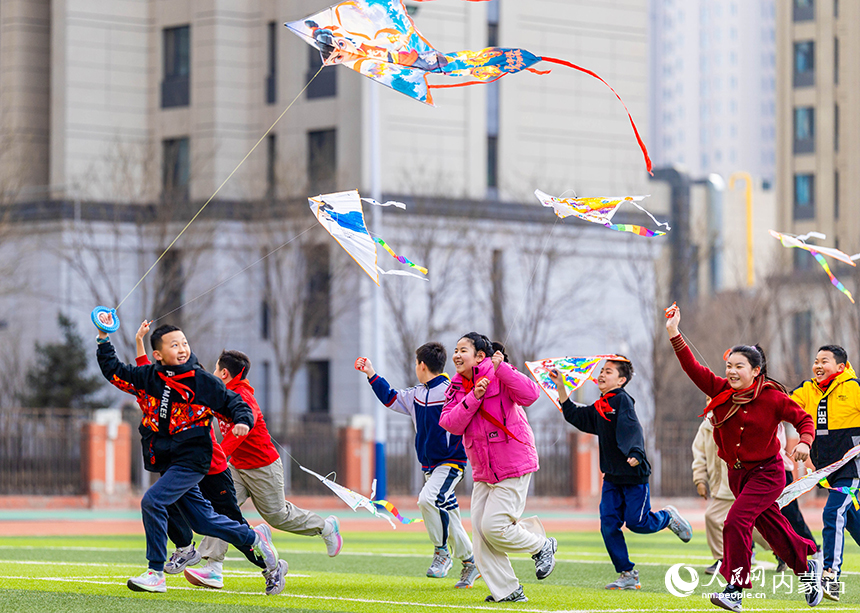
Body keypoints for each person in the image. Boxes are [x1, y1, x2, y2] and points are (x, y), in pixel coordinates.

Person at [95, 320, 282, 594]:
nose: (182, 348)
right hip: (170, 462)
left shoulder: (199, 379)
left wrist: (241, 419)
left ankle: (156, 571)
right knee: (203, 521)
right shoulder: (149, 377)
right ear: (158, 354)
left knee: (153, 500)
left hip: (197, 459)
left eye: (184, 343)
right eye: (174, 345)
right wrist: (102, 336)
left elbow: (234, 402)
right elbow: (115, 371)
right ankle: (254, 539)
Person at [666, 305, 821, 612]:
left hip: (768, 473)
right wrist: (674, 332)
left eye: (739, 366)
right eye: (729, 366)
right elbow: (691, 366)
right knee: (774, 530)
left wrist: (805, 442)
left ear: (755, 371)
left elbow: (804, 420)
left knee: (735, 521)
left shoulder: (773, 398)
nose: (732, 372)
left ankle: (734, 589)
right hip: (738, 476)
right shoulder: (719, 390)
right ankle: (807, 568)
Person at [188, 349, 343, 589]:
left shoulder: (243, 397)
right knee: (221, 511)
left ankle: (326, 527)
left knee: (278, 516)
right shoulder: (222, 392)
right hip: (237, 468)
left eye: (216, 369)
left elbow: (242, 429)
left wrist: (215, 457)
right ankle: (213, 568)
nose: (213, 373)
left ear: (225, 373)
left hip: (263, 468)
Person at [549, 357, 691, 590]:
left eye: (609, 371)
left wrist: (636, 451)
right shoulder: (600, 406)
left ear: (621, 380)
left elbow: (632, 427)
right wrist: (562, 387)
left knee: (638, 523)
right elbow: (575, 415)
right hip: (612, 479)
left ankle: (668, 517)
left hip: (634, 476)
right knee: (608, 525)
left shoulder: (622, 400)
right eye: (602, 371)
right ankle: (627, 574)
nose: (602, 374)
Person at [439, 333, 555, 603]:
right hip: (483, 469)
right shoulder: (456, 387)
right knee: (480, 533)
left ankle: (542, 545)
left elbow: (531, 394)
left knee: (493, 526)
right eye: (455, 350)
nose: (456, 355)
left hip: (513, 463)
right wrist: (474, 396)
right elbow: (449, 423)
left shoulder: (499, 372)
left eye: (463, 350)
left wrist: (502, 368)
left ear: (480, 355)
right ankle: (509, 592)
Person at [357, 342, 478, 587]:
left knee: (427, 500)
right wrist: (371, 373)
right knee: (450, 515)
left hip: (451, 462)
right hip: (429, 467)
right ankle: (470, 562)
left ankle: (441, 553)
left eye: (415, 363)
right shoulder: (416, 394)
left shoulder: (451, 391)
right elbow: (390, 397)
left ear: (421, 365)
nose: (415, 367)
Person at [790, 344, 860, 601]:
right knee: (850, 518)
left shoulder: (854, 388)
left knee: (833, 512)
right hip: (826, 472)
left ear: (840, 367)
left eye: (825, 361)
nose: (818, 365)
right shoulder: (806, 390)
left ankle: (831, 576)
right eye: (816, 360)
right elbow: (783, 405)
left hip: (852, 470)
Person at [692, 413, 774, 575]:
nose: (710, 401)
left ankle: (724, 560)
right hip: (722, 485)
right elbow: (699, 455)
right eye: (708, 398)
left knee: (715, 517)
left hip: (738, 482)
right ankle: (780, 549)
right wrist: (700, 480)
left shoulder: (737, 419)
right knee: (751, 522)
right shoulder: (706, 426)